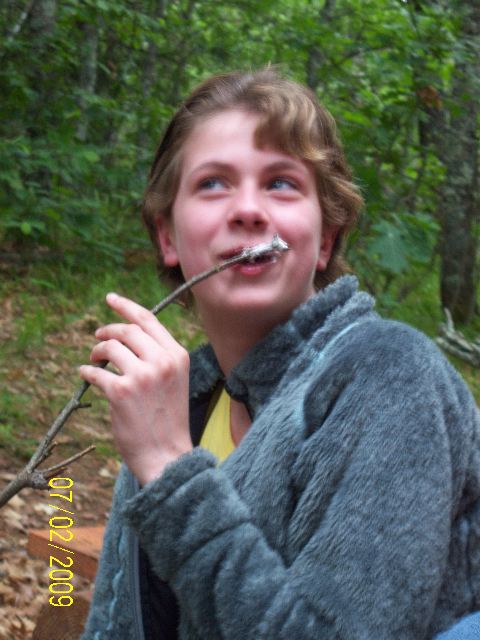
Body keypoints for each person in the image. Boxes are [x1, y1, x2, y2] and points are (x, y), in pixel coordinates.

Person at [79, 68, 480, 639]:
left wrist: (171, 473)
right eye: (213, 183)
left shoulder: (389, 374)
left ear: (326, 239)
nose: (248, 209)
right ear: (168, 236)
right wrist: (165, 461)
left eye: (282, 184)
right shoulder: (179, 404)